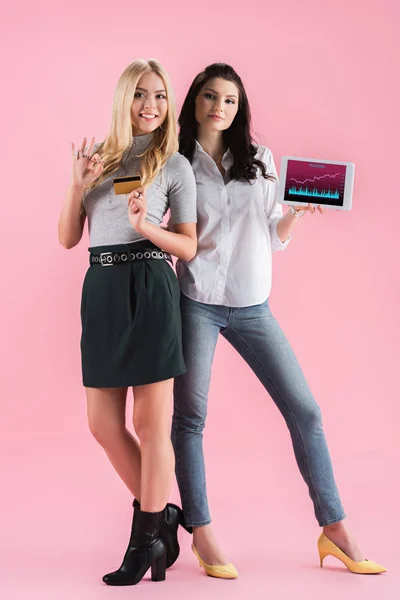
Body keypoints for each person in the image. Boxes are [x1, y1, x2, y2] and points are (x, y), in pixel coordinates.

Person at [171, 63, 386, 578]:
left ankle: (333, 527)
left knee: (306, 411)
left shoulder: (261, 160)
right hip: (195, 300)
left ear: (239, 107)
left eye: (229, 100)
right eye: (209, 97)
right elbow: (165, 223)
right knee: (191, 419)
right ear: (194, 102)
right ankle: (201, 531)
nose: (219, 107)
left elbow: (272, 233)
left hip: (252, 304)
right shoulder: (177, 163)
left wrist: (295, 212)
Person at [58, 59, 197, 586]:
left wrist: (147, 227)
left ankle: (144, 543)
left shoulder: (174, 164)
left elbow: (188, 244)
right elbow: (68, 238)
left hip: (151, 285)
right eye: (141, 95)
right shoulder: (99, 159)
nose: (151, 106)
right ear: (124, 99)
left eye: (160, 96)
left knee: (150, 425)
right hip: (103, 289)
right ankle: (161, 516)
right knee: (102, 424)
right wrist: (77, 185)